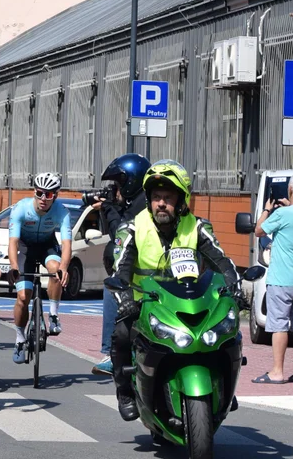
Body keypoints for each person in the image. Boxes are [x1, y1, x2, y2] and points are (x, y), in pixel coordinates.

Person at [109, 160, 239, 420]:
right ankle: (124, 392)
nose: (161, 204)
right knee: (121, 336)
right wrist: (124, 299)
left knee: (228, 336)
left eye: (168, 197)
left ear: (181, 200)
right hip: (144, 305)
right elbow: (120, 271)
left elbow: (222, 261)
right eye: (156, 197)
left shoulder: (198, 227)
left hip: (191, 303)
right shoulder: (132, 229)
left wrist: (235, 289)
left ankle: (226, 386)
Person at [91, 154, 150, 376]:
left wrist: (107, 208)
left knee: (111, 289)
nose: (116, 189)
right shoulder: (135, 202)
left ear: (133, 180)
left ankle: (109, 353)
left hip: (140, 274)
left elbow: (120, 234)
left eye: (120, 183)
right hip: (135, 270)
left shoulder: (141, 204)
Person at [8, 172, 72, 364]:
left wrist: (65, 267)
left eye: (49, 194)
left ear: (56, 196)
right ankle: (20, 339)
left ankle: (53, 315)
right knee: (22, 297)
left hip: (47, 246)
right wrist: (13, 266)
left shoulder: (62, 212)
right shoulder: (21, 208)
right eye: (40, 193)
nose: (44, 198)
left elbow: (67, 244)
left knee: (56, 269)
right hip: (25, 249)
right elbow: (13, 242)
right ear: (34, 192)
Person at [253, 173, 293, 384]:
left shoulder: (282, 214)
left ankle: (277, 372)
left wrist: (266, 210)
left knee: (280, 325)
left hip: (282, 279)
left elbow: (259, 231)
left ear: (290, 191)